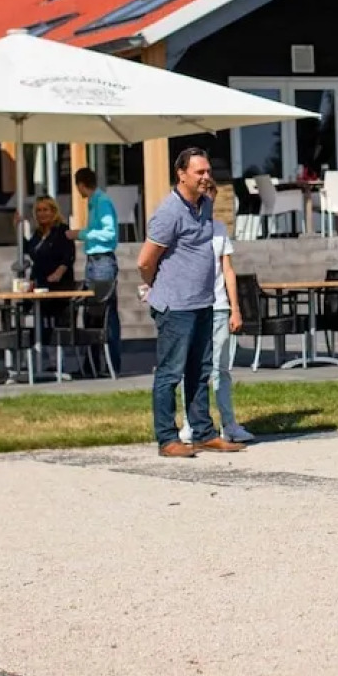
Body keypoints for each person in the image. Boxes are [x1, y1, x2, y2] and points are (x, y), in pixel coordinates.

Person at [138, 148, 246, 457]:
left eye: (208, 171)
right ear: (181, 174)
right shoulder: (169, 212)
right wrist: (159, 285)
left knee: (201, 370)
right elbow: (145, 261)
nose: (206, 177)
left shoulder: (205, 205)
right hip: (175, 306)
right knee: (170, 373)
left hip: (202, 302)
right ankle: (167, 439)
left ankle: (204, 433)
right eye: (199, 172)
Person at [179, 174, 253, 444]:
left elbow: (228, 271)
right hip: (193, 307)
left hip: (219, 307)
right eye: (204, 194)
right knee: (194, 367)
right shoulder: (185, 227)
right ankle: (191, 423)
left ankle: (229, 424)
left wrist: (235, 308)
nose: (207, 199)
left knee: (221, 369)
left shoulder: (220, 229)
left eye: (211, 195)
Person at [67, 168, 120, 374]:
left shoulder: (102, 202)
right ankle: (92, 365)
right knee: (91, 314)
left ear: (80, 185)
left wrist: (79, 233)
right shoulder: (94, 202)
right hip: (94, 261)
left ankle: (110, 365)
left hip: (102, 260)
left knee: (104, 313)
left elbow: (109, 233)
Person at [24, 195, 76, 338]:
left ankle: (54, 353)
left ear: (53, 212)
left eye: (45, 210)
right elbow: (29, 249)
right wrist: (17, 227)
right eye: (39, 210)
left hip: (58, 285)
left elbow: (69, 255)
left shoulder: (62, 230)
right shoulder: (37, 234)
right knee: (25, 305)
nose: (42, 214)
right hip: (39, 284)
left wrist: (58, 273)